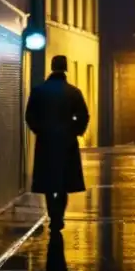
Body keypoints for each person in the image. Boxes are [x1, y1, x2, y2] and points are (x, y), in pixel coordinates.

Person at [25, 54, 90, 230]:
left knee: (48, 180)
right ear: (66, 68)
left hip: (46, 141)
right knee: (63, 181)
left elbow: (30, 115)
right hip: (66, 142)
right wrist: (75, 130)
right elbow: (84, 116)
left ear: (52, 67)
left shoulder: (39, 91)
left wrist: (40, 130)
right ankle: (58, 216)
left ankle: (52, 214)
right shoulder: (73, 92)